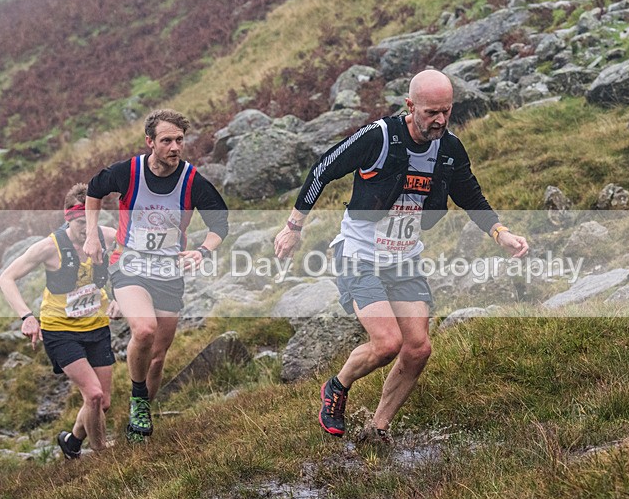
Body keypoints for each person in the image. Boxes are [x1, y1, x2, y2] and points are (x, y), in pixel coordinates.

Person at [274, 69, 529, 442]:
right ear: (410, 107)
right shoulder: (379, 137)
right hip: (358, 254)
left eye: (446, 111)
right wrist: (293, 227)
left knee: (418, 348)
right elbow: (322, 170)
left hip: (405, 259)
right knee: (387, 343)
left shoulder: (449, 148)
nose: (440, 120)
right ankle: (337, 387)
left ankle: (377, 428)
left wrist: (500, 233)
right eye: (430, 112)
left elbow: (470, 194)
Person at [84, 109, 229, 442]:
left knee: (158, 356)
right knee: (145, 330)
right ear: (150, 142)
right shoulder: (128, 172)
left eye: (179, 140)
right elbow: (94, 190)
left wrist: (202, 250)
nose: (175, 147)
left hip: (169, 270)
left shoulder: (192, 180)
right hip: (129, 263)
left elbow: (220, 224)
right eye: (166, 140)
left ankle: (139, 423)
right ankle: (137, 398)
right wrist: (92, 234)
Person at [0, 183, 119, 458]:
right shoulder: (48, 247)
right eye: (79, 223)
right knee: (94, 395)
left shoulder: (108, 236)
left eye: (89, 221)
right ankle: (101, 454)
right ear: (68, 218)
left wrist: (120, 296)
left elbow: (135, 257)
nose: (85, 229)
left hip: (97, 327)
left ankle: (72, 442)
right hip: (60, 330)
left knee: (104, 402)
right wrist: (27, 317)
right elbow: (6, 278)